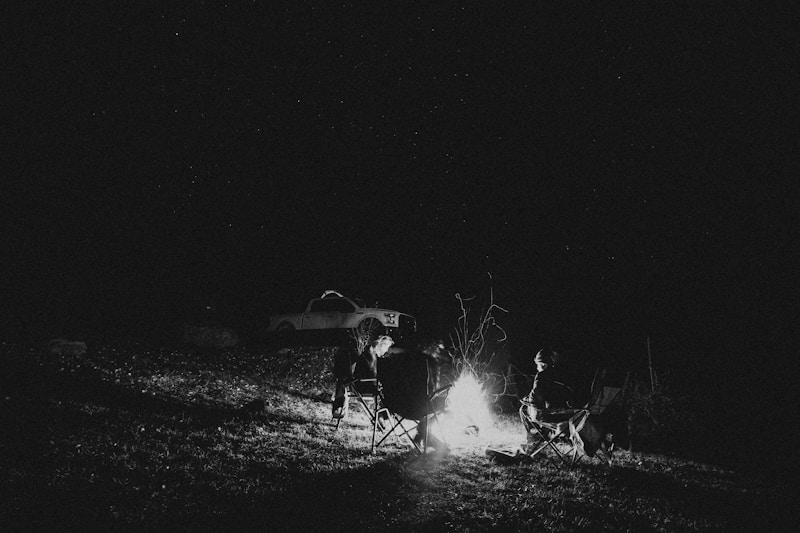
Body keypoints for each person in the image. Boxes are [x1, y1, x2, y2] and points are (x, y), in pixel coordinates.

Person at [519, 347, 581, 443]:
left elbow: (535, 396)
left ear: (544, 365)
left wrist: (526, 399)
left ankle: (536, 438)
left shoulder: (543, 376)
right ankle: (550, 434)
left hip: (554, 414)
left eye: (538, 365)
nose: (537, 368)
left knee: (523, 409)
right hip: (572, 413)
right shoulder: (565, 373)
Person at [332, 335, 394, 418]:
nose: (387, 350)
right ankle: (384, 416)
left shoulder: (369, 354)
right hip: (365, 387)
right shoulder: (370, 356)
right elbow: (370, 375)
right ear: (382, 345)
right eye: (386, 347)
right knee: (390, 390)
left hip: (362, 385)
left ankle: (383, 416)